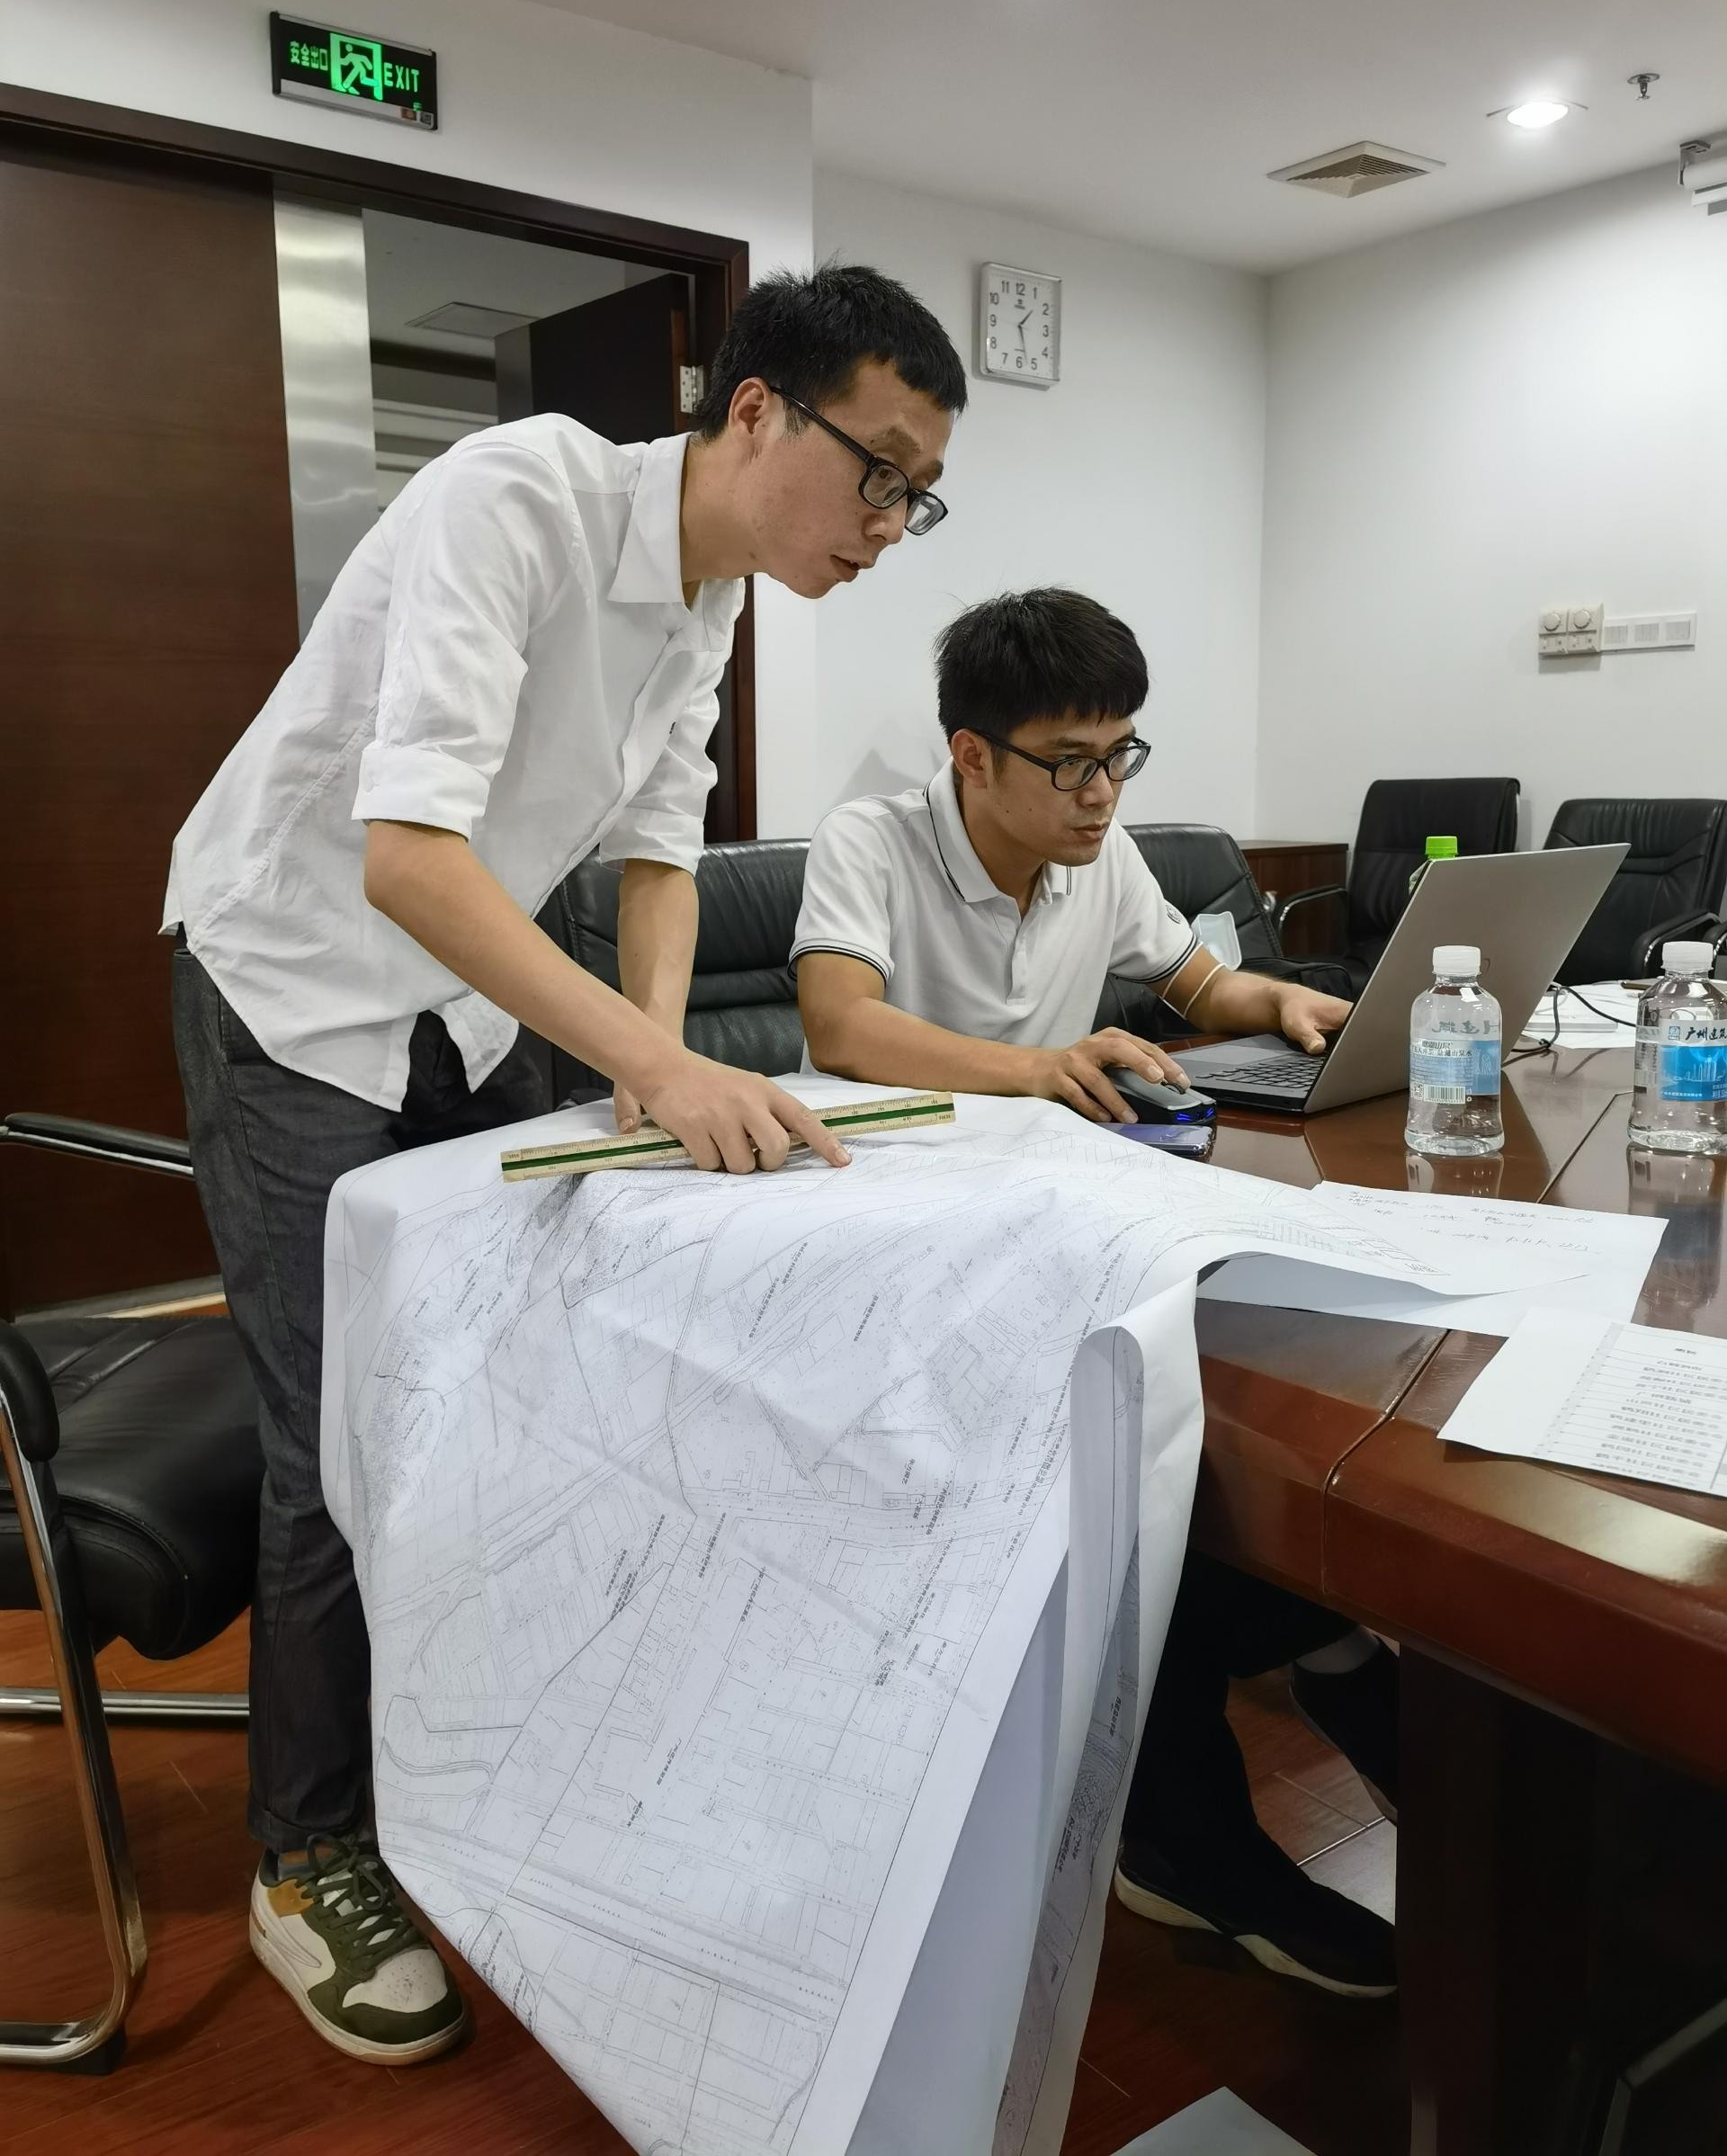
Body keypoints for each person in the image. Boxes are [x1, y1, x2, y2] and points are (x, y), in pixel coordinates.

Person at [164, 264, 966, 2062]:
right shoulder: (517, 494)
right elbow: (407, 856)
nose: (889, 525)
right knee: (340, 1428)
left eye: (919, 497)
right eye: (880, 472)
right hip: (292, 981)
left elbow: (660, 860)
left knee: (516, 1377)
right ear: (755, 411)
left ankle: (464, 1763)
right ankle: (304, 1854)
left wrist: (641, 1068)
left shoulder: (711, 599)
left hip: (464, 1000)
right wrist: (658, 1062)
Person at [793, 586, 1400, 1998]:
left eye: (1121, 755)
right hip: (902, 1247)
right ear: (971, 755)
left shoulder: (1100, 854)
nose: (1101, 792)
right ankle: (1196, 1819)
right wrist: (1037, 1069)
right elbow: (840, 1023)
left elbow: (1196, 980)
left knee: (1252, 1365)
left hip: (1060, 1223)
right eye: (1068, 762)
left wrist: (1284, 1005)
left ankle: (1305, 1635)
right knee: (1118, 1472)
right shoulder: (872, 842)